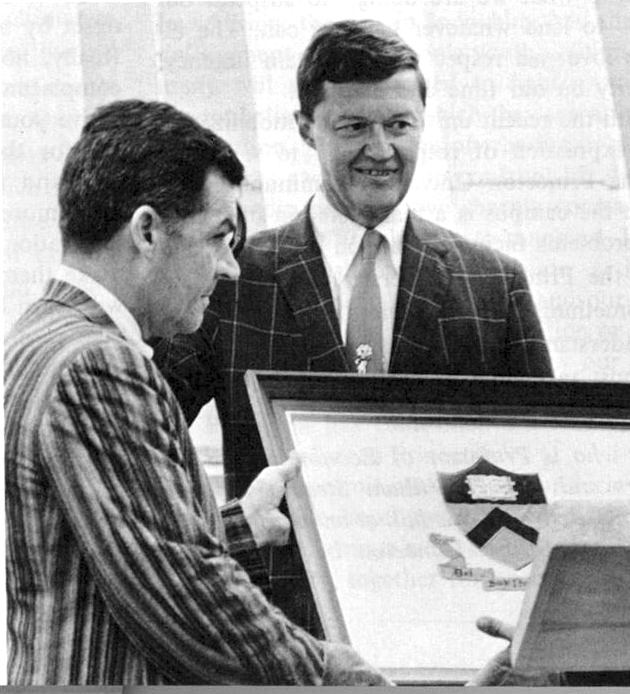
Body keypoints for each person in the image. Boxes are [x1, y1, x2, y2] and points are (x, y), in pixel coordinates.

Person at [4, 99, 533, 686]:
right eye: (217, 238)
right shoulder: (101, 364)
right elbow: (185, 599)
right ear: (147, 231)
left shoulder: (42, 335)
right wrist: (333, 672)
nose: (230, 268)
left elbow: (117, 552)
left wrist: (241, 526)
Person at [153, 18, 553, 632]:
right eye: (354, 127)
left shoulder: (495, 284)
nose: (381, 149)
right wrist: (226, 531)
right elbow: (143, 451)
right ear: (305, 128)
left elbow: (541, 470)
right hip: (284, 638)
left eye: (399, 125)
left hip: (453, 629)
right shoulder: (233, 280)